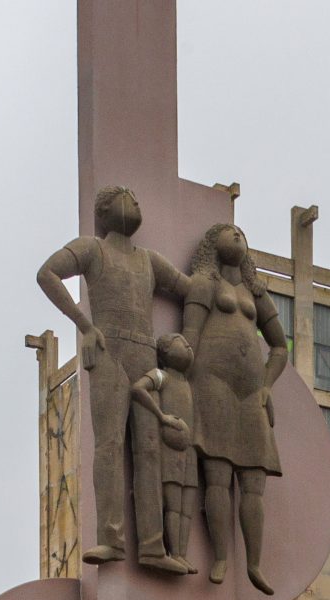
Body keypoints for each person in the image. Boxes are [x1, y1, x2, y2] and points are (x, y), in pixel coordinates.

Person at [36, 186, 194, 574]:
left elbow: (190, 291)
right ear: (106, 210)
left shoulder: (149, 261)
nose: (136, 202)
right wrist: (84, 325)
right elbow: (48, 274)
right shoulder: (92, 249)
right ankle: (112, 538)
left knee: (150, 449)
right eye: (127, 197)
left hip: (144, 353)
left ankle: (154, 547)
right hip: (108, 353)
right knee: (109, 444)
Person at [180, 222, 290, 594]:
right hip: (212, 385)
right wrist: (182, 380)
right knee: (218, 475)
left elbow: (279, 347)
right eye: (230, 233)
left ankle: (254, 564)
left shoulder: (256, 293)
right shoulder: (203, 284)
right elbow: (190, 336)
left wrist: (265, 386)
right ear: (213, 243)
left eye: (242, 232)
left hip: (250, 393)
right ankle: (221, 557)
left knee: (253, 482)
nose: (238, 236)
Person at [132, 333, 199, 576]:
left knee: (186, 507)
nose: (188, 345)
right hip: (170, 449)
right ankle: (175, 553)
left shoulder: (189, 383)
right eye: (181, 342)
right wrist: (161, 417)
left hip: (189, 450)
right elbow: (138, 388)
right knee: (173, 504)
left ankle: (182, 553)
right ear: (166, 351)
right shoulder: (162, 376)